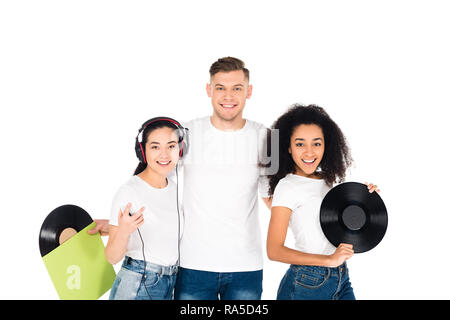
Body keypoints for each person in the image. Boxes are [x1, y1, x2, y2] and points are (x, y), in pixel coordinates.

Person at [90, 57, 273, 300]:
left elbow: (273, 198)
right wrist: (117, 225)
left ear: (249, 91)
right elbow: (154, 177)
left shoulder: (268, 138)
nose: (228, 96)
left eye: (237, 88)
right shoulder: (186, 133)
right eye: (220, 88)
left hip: (246, 266)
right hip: (192, 265)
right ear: (209, 90)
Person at [265, 104, 379, 300]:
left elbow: (340, 226)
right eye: (300, 144)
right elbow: (274, 250)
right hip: (306, 283)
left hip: (341, 277)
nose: (309, 153)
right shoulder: (287, 187)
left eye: (316, 143)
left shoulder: (327, 181)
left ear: (327, 145)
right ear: (288, 148)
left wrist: (366, 198)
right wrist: (327, 260)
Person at [105, 117, 187, 300]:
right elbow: (111, 257)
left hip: (169, 282)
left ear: (180, 149)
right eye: (155, 147)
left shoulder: (174, 188)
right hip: (138, 284)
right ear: (143, 150)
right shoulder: (129, 191)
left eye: (171, 146)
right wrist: (124, 230)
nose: (164, 155)